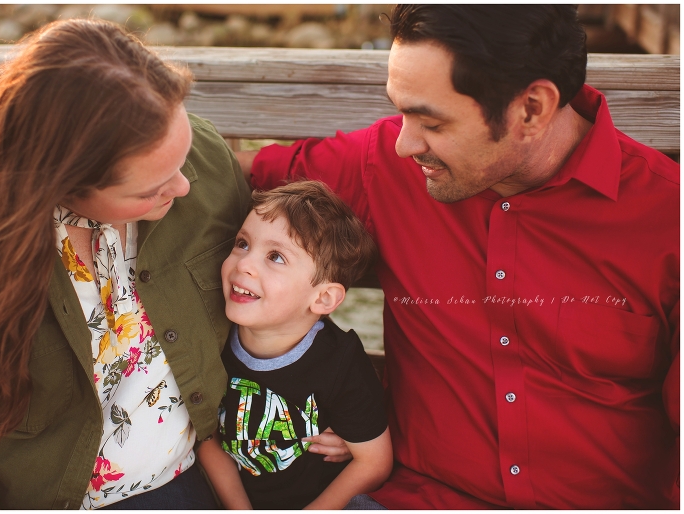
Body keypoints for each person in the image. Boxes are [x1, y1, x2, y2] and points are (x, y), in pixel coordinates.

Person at [237, 5, 679, 510]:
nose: (404, 143)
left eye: (431, 121)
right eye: (402, 112)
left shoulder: (669, 221)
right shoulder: (384, 163)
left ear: (532, 109)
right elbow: (228, 174)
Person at [0, 18, 256, 509]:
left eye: (182, 156)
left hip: (198, 477)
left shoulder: (197, 163)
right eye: (149, 189)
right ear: (58, 181)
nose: (183, 186)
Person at [197, 181, 392, 509]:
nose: (244, 263)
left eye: (275, 256)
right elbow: (206, 437)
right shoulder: (211, 335)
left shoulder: (339, 362)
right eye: (243, 243)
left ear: (323, 297)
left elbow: (373, 463)